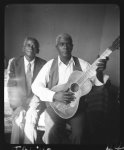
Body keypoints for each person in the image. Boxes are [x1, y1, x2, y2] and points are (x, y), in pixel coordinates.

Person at [26, 33, 109, 144]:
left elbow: (98, 84)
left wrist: (99, 71)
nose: (65, 47)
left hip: (77, 109)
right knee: (51, 133)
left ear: (72, 46)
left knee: (79, 136)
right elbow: (35, 86)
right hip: (55, 107)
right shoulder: (50, 65)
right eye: (62, 44)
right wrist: (54, 95)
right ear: (57, 47)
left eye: (68, 44)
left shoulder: (83, 64)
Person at [7, 37, 46, 144]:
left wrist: (37, 101)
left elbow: (45, 87)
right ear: (23, 48)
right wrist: (16, 106)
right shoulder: (14, 62)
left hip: (35, 101)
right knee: (18, 120)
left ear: (37, 50)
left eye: (34, 46)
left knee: (31, 120)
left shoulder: (43, 64)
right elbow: (11, 86)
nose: (31, 47)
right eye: (28, 45)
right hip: (19, 101)